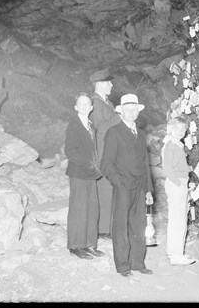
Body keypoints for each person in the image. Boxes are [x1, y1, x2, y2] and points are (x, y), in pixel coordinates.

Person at [100, 93, 154, 277]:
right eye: (127, 109)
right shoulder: (113, 132)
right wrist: (119, 183)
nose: (131, 112)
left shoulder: (141, 134)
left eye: (134, 109)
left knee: (138, 226)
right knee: (121, 226)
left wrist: (148, 189)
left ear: (137, 112)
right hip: (123, 186)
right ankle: (123, 266)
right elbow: (106, 164)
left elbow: (145, 163)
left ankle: (138, 263)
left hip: (139, 187)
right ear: (121, 111)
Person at [64, 93, 104, 260]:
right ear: (76, 107)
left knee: (92, 209)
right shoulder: (73, 125)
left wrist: (97, 166)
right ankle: (76, 245)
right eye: (81, 104)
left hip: (90, 173)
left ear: (92, 107)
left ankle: (89, 243)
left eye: (87, 104)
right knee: (79, 209)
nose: (84, 106)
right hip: (79, 172)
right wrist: (88, 164)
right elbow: (70, 151)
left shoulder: (91, 126)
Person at [89, 69, 121, 239]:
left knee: (110, 189)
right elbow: (101, 130)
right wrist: (119, 116)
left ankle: (108, 227)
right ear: (100, 84)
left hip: (110, 151)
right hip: (102, 153)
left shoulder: (105, 102)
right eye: (108, 82)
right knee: (105, 189)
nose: (112, 85)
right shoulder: (95, 104)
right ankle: (103, 230)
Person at [161, 117, 197, 266]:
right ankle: (176, 255)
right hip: (176, 184)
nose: (181, 132)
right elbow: (167, 169)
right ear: (171, 128)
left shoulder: (178, 145)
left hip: (181, 183)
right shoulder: (170, 145)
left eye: (183, 129)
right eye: (178, 128)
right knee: (177, 220)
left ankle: (176, 252)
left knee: (180, 218)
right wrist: (178, 184)